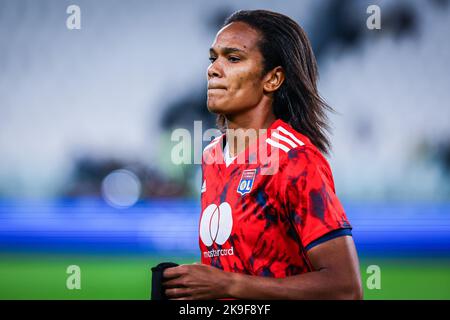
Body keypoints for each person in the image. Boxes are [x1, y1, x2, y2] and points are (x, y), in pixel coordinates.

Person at [162, 9, 363, 300]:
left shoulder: (293, 159)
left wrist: (227, 284)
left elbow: (346, 289)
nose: (213, 69)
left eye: (233, 58)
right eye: (213, 58)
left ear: (273, 79)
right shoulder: (210, 157)